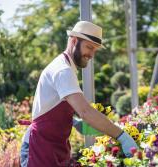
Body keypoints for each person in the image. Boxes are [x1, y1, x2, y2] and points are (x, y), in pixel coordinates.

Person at [20, 21, 138, 167]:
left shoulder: (67, 67)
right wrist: (122, 136)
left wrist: (74, 122)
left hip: (54, 147)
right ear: (74, 41)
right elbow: (85, 111)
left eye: (95, 50)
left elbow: (53, 105)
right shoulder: (63, 70)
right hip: (40, 147)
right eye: (89, 47)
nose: (91, 54)